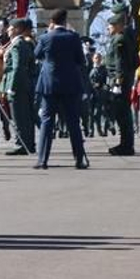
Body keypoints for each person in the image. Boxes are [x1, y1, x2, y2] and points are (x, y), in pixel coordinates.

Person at [32, 9, 88, 169]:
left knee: (47, 121)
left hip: (49, 84)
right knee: (73, 122)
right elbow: (80, 60)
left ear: (52, 21)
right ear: (65, 21)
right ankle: (79, 159)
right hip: (70, 84)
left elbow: (36, 55)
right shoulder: (74, 37)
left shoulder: (45, 37)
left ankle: (42, 160)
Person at [104, 3, 140, 156]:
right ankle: (126, 144)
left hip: (119, 80)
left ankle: (126, 146)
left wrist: (118, 80)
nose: (109, 28)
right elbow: (135, 61)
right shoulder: (129, 34)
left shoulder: (120, 38)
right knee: (123, 112)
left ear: (119, 24)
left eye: (111, 25)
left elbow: (120, 61)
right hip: (125, 78)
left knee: (122, 113)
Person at [3, 18, 37, 157]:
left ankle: (21, 144)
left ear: (17, 29)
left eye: (10, 28)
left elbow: (17, 67)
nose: (8, 30)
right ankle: (29, 143)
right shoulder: (24, 43)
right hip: (24, 84)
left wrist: (12, 86)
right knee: (26, 116)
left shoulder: (17, 45)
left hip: (17, 85)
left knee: (18, 116)